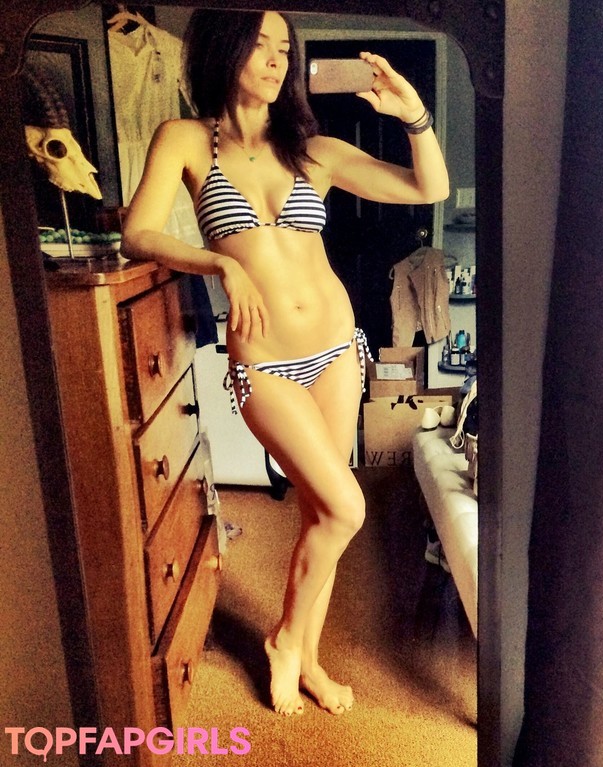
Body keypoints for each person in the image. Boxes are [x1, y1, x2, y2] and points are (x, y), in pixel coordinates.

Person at [122, 9, 449, 716]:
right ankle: (284, 643)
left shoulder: (312, 150)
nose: (277, 60)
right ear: (226, 49)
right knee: (348, 505)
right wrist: (218, 263)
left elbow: (430, 189)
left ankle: (305, 656)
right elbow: (138, 232)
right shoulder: (184, 139)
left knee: (322, 512)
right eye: (261, 45)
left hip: (336, 350)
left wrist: (413, 114)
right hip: (265, 363)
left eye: (284, 49)